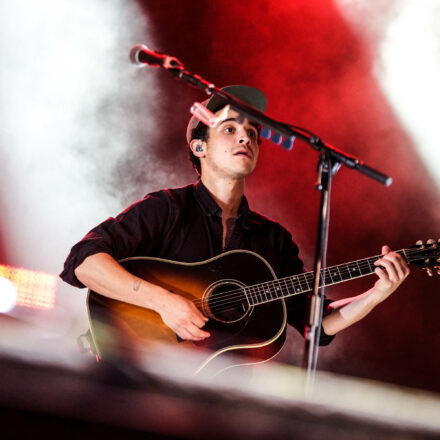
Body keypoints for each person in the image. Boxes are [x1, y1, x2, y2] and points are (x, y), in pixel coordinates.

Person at [60, 85, 409, 349]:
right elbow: (83, 262)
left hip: (213, 394)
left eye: (253, 134)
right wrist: (163, 302)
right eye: (229, 129)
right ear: (200, 147)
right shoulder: (167, 208)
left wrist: (376, 294)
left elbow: (315, 325)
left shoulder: (273, 240)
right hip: (136, 367)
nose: (246, 136)